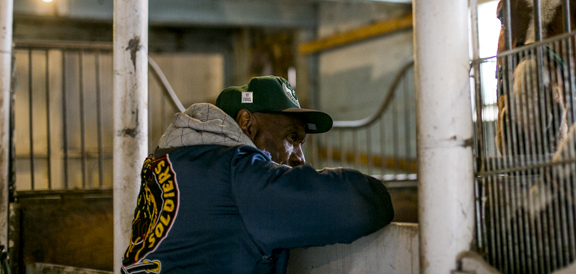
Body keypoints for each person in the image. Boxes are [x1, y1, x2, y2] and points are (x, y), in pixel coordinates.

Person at [120, 76, 394, 274]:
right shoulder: (239, 173)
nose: (300, 157)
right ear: (246, 123)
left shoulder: (166, 162)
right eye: (292, 137)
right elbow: (359, 205)